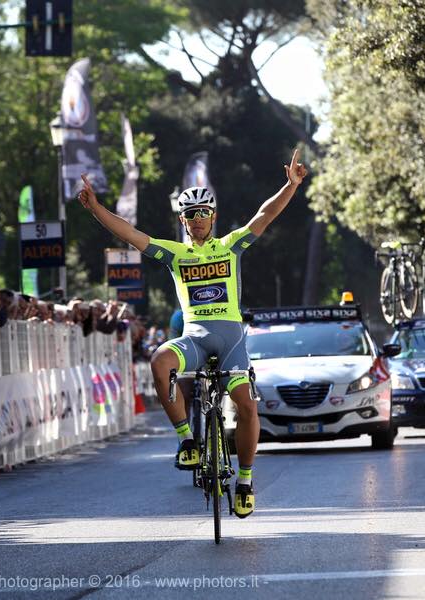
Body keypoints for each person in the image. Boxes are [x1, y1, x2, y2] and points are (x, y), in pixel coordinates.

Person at [77, 149, 308, 519]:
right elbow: (130, 233)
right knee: (159, 360)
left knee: (247, 407)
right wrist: (96, 209)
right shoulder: (175, 254)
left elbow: (264, 216)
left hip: (231, 340)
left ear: (212, 217)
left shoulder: (230, 246)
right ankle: (188, 441)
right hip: (195, 340)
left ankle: (245, 482)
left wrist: (290, 186)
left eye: (203, 213)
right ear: (183, 220)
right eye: (190, 215)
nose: (197, 219)